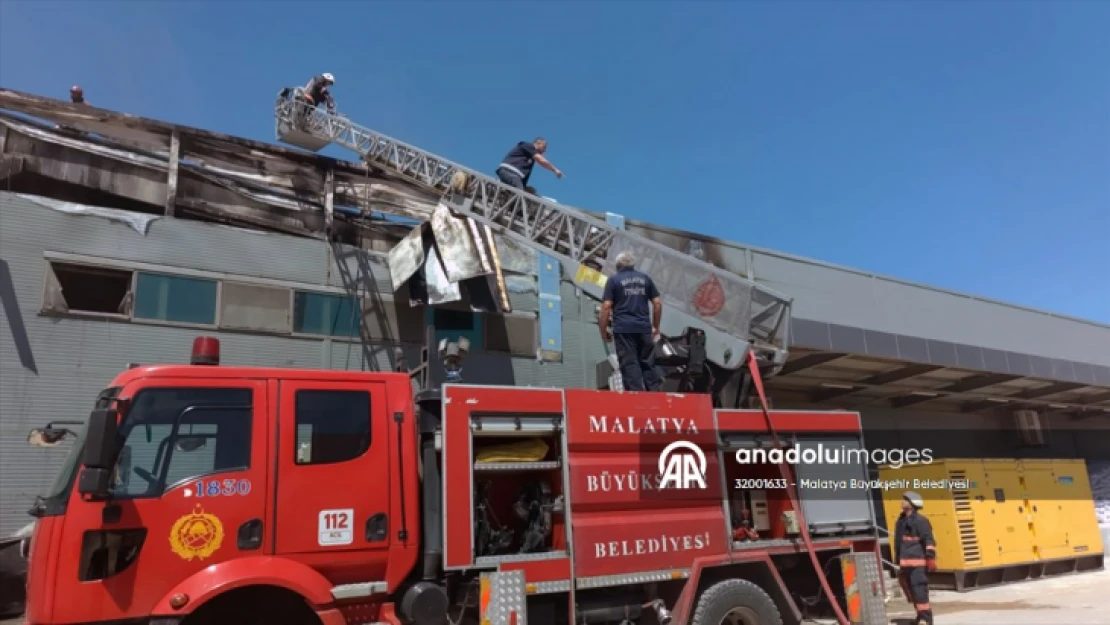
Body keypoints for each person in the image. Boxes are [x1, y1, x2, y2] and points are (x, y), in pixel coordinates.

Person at [599, 251, 662, 392]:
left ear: (617, 265)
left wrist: (603, 331)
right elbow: (657, 303)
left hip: (623, 329)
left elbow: (606, 306)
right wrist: (655, 326)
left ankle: (636, 401)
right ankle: (656, 399)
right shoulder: (645, 278)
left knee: (630, 365)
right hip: (644, 328)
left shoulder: (614, 280)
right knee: (648, 364)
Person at [894, 491, 936, 625]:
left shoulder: (920, 521)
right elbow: (898, 543)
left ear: (912, 504)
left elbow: (928, 540)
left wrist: (930, 558)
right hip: (905, 563)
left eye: (905, 500)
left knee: (919, 590)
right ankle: (919, 616)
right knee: (911, 592)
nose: (902, 501)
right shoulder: (901, 521)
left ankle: (926, 619)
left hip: (918, 564)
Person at [496, 137, 563, 192]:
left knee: (531, 192)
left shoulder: (530, 160)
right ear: (538, 143)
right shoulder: (527, 146)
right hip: (509, 172)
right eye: (544, 147)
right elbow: (541, 160)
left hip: (515, 176)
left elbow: (540, 161)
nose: (545, 150)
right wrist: (555, 170)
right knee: (520, 194)